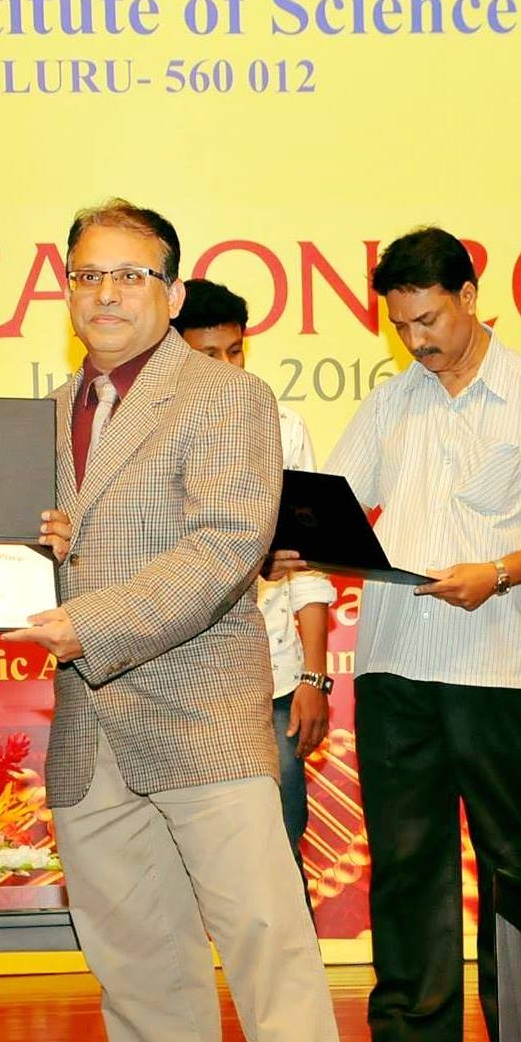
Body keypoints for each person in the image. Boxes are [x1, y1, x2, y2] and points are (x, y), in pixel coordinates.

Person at [5, 199, 361, 1042]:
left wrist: (87, 620)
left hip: (202, 712)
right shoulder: (46, 414)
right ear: (65, 289)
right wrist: (32, 549)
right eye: (87, 275)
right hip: (91, 727)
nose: (106, 294)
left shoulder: (226, 395)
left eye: (130, 275)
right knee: (138, 957)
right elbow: (51, 554)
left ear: (168, 290)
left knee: (266, 945)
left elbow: (221, 549)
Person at [318, 226, 521, 1042]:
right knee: (405, 855)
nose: (417, 340)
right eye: (401, 325)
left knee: (513, 856)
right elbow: (337, 502)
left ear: (469, 298)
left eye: (429, 319)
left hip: (499, 661)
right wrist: (304, 538)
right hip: (394, 658)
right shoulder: (388, 404)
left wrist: (502, 571)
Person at [173, 279, 336, 894]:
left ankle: (290, 964)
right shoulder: (153, 434)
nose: (227, 367)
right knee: (185, 864)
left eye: (235, 351)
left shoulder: (283, 427)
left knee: (280, 851)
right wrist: (251, 563)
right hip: (181, 679)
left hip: (274, 680)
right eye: (208, 354)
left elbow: (308, 565)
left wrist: (315, 678)